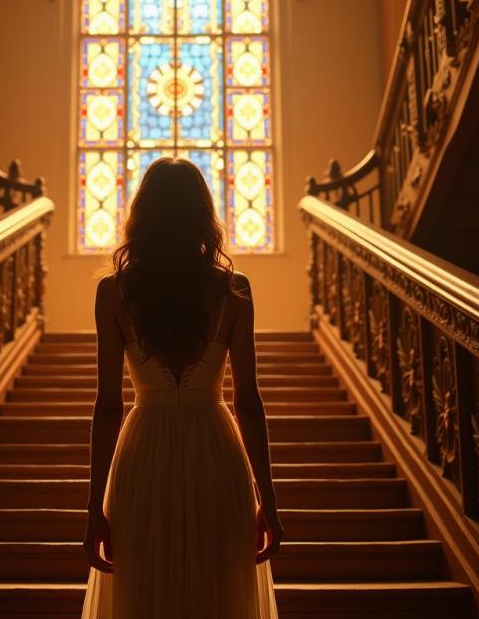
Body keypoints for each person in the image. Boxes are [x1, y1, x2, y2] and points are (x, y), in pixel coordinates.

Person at [80, 156, 283, 618]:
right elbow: (248, 402)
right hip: (216, 454)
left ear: (142, 215)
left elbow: (108, 406)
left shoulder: (113, 293)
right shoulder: (233, 289)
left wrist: (94, 510)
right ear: (202, 215)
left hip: (143, 455)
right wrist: (268, 501)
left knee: (146, 598)